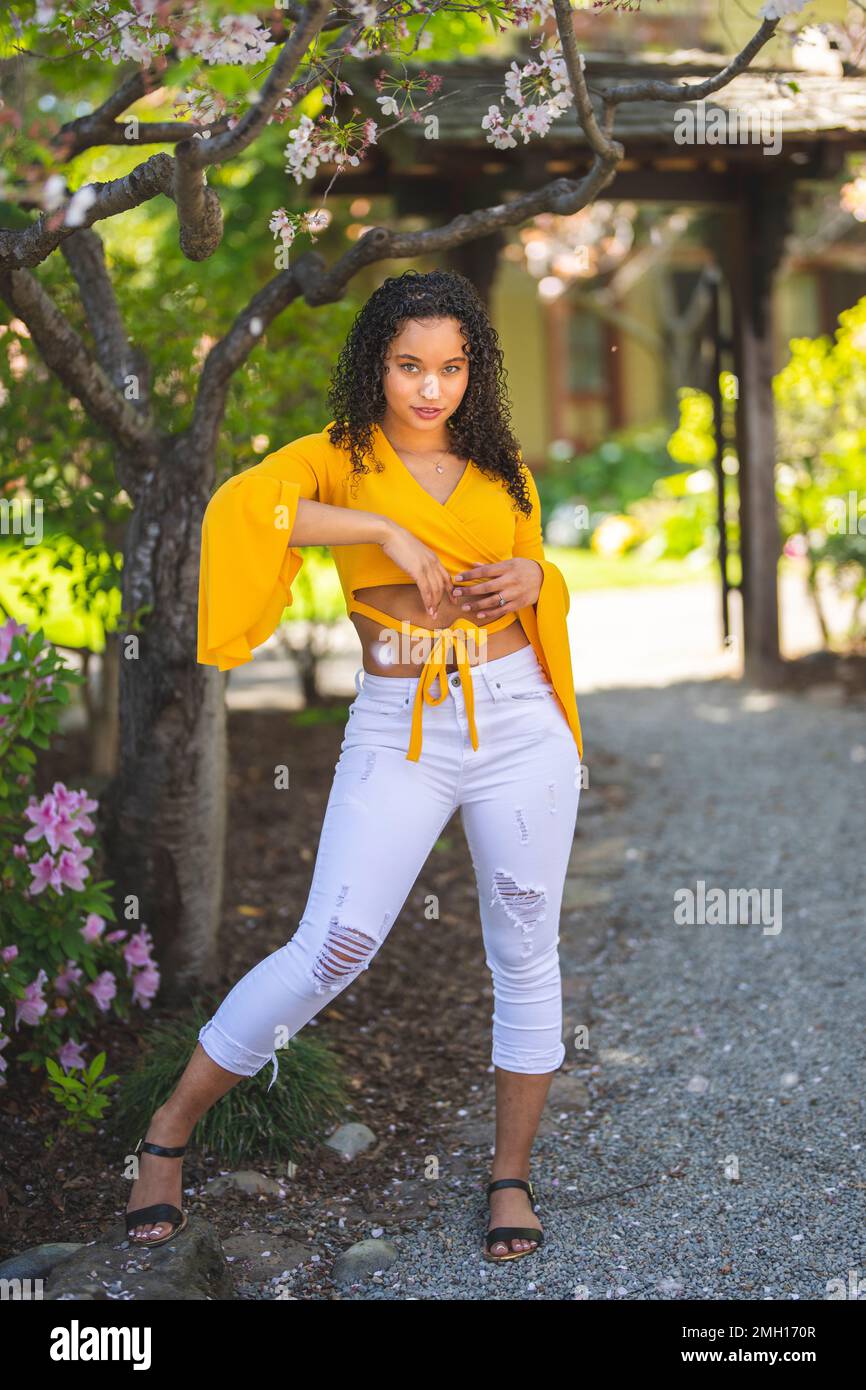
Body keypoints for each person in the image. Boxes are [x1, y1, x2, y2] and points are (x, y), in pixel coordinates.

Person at [125, 268, 584, 1263]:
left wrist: (534, 576)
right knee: (333, 943)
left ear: (474, 369)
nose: (431, 388)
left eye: (451, 367)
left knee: (523, 951)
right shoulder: (337, 459)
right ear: (376, 363)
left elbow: (536, 575)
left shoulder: (501, 465)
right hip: (399, 729)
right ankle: (167, 1129)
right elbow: (248, 513)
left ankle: (509, 1175)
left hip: (519, 726)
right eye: (410, 365)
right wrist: (377, 527)